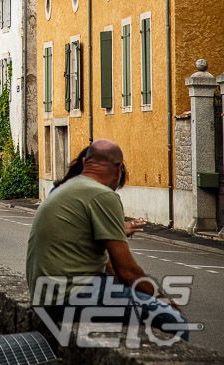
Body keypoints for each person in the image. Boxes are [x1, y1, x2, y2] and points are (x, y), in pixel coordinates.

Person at [26, 139, 190, 343]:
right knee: (174, 321)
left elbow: (108, 265)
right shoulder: (102, 195)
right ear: (118, 168)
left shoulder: (63, 190)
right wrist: (165, 301)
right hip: (70, 298)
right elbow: (127, 271)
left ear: (85, 162)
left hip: (45, 296)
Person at [53, 145, 145, 237]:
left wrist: (114, 230)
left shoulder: (58, 192)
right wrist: (116, 233)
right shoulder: (96, 198)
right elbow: (117, 248)